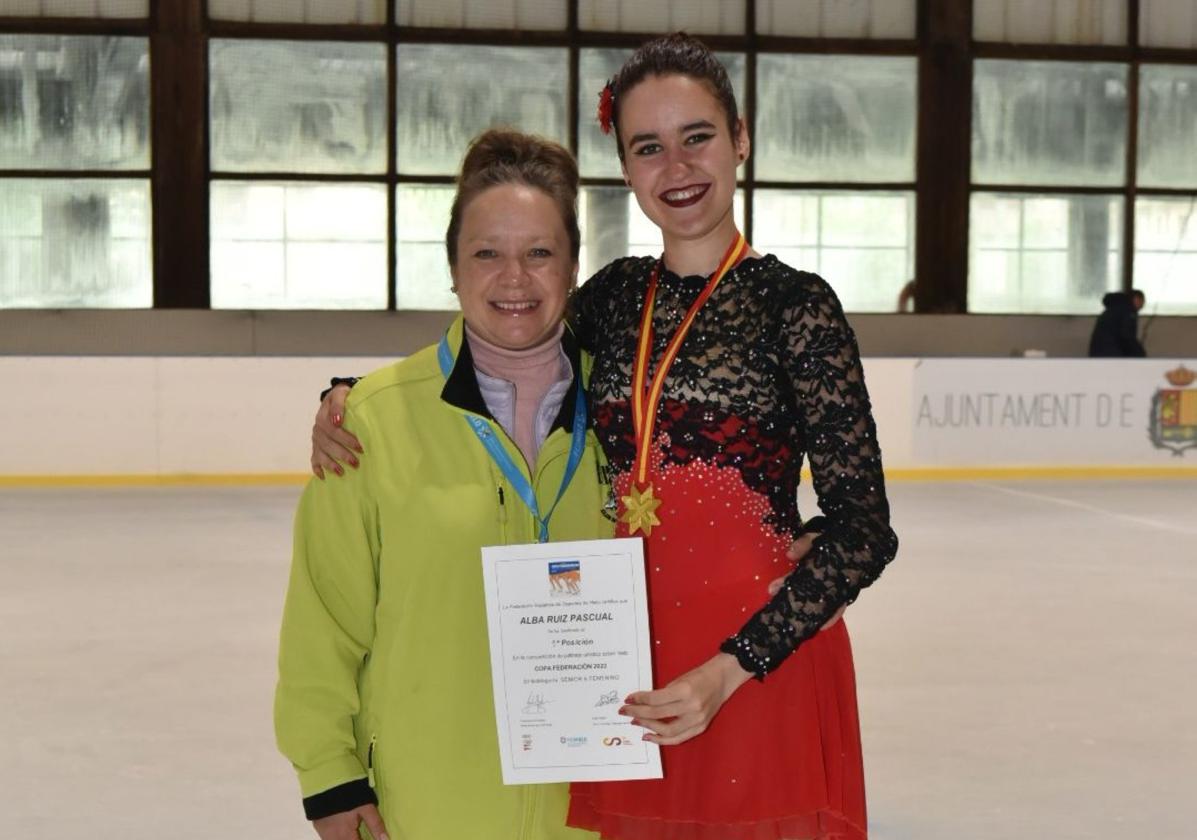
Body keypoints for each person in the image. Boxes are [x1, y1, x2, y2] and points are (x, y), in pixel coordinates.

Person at [312, 33, 897, 840]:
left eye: (697, 137)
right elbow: (500, 342)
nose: (677, 167)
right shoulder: (614, 298)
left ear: (740, 139)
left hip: (752, 663)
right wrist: (353, 393)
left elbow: (864, 527)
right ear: (624, 166)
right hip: (620, 661)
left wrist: (733, 667)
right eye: (647, 147)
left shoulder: (796, 307)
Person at [275, 129, 612, 840]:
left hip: (595, 810)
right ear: (453, 269)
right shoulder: (370, 420)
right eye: (486, 252)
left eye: (539, 252)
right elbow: (324, 622)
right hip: (423, 807)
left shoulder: (629, 418)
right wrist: (330, 782)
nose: (513, 278)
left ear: (574, 266)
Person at [1088, 289, 1147, 357]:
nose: (1142, 305)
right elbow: (1127, 336)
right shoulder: (1128, 311)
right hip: (1111, 352)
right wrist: (1139, 352)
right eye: (1142, 301)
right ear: (1136, 299)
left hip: (1098, 351)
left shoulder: (1114, 308)